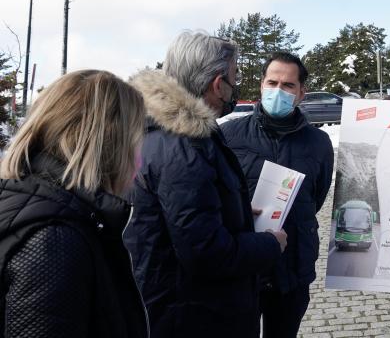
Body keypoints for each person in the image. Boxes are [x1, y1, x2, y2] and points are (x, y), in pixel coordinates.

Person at [124, 31, 287, 338]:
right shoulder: (183, 146)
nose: (234, 86)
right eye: (234, 76)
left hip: (180, 307)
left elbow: (185, 218)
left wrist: (233, 210)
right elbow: (206, 253)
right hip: (196, 316)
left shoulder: (162, 132)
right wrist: (269, 245)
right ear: (217, 83)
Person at [0, 70, 148, 338]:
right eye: (138, 141)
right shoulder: (54, 240)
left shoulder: (39, 205)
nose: (140, 158)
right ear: (111, 146)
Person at [222, 52, 334, 338]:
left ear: (301, 92)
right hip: (243, 267)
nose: (278, 91)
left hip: (293, 268)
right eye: (272, 82)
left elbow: (317, 197)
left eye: (288, 86)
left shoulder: (319, 142)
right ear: (261, 85)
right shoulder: (229, 135)